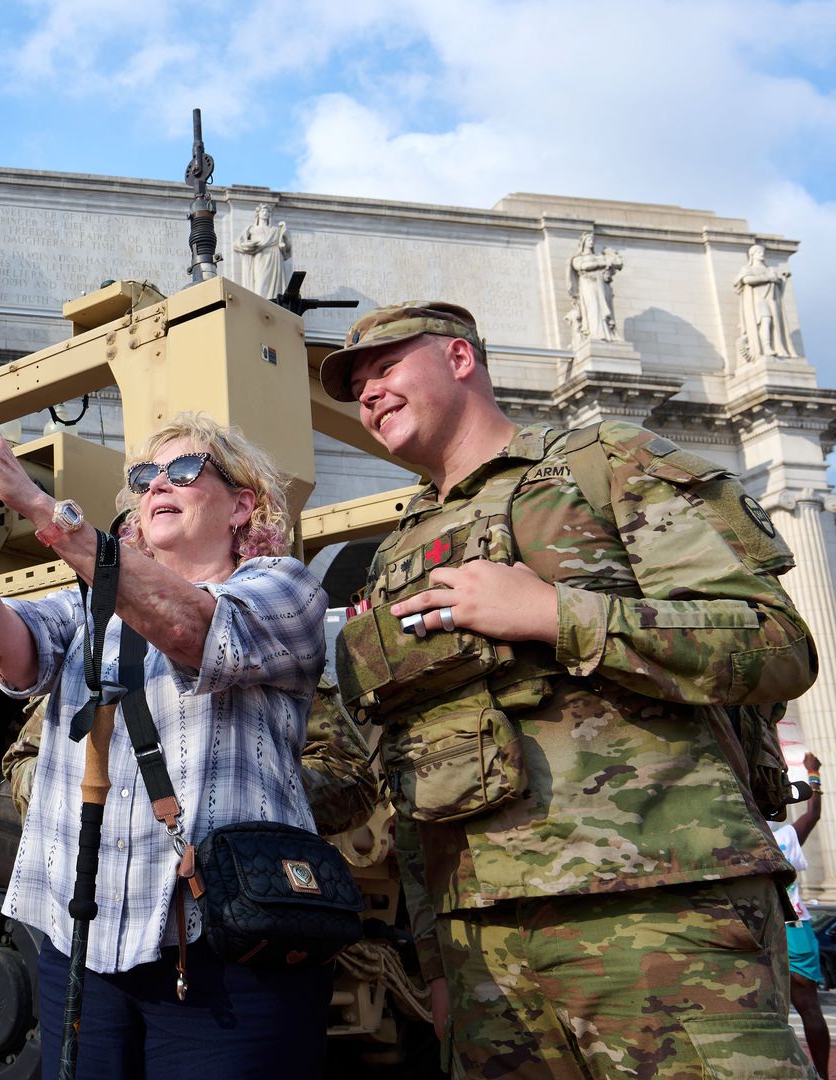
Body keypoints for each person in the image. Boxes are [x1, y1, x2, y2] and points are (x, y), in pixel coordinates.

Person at [321, 300, 817, 1078]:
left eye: (385, 368)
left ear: (459, 359)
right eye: (356, 388)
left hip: (658, 906)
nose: (368, 394)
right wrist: (439, 964)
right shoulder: (397, 557)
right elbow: (412, 767)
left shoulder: (607, 462)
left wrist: (554, 613)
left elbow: (775, 643)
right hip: (482, 948)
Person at [0, 383, 330, 1077]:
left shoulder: (285, 589)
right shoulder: (90, 607)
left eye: (185, 471)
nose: (159, 484)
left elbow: (192, 627)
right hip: (87, 954)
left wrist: (34, 503)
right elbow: (1, 642)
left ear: (243, 504)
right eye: (144, 477)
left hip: (228, 953)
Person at [773, 752, 827, 1078]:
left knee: (768, 1012)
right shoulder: (784, 839)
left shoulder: (741, 842)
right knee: (809, 1007)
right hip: (796, 927)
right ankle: (821, 1074)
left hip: (764, 930)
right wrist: (812, 773)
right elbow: (814, 813)